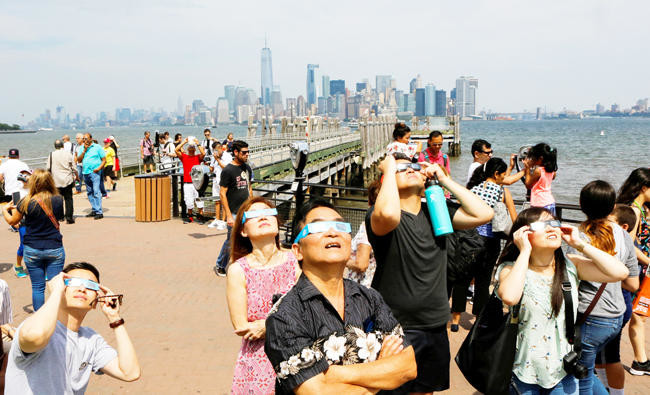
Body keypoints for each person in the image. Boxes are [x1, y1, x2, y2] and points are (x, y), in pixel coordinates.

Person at [366, 153, 493, 394]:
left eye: (414, 166)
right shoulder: (379, 216)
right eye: (402, 168)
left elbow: (484, 214)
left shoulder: (436, 212)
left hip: (434, 323)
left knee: (425, 390)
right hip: (395, 325)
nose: (410, 169)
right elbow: (388, 215)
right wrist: (389, 168)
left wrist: (444, 179)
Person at [264, 199, 417, 394]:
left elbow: (408, 366)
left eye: (340, 225)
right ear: (298, 250)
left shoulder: (369, 298)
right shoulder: (284, 316)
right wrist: (382, 370)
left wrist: (336, 374)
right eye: (318, 227)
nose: (332, 232)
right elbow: (317, 391)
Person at [496, 207, 629, 394]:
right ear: (523, 234)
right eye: (541, 224)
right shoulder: (511, 269)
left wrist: (581, 244)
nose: (551, 228)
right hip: (523, 372)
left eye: (554, 223)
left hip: (563, 371)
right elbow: (510, 296)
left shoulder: (570, 265)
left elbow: (620, 273)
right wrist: (524, 251)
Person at [4, 262, 140, 393]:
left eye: (90, 285)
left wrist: (114, 318)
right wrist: (56, 292)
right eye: (72, 282)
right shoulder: (36, 326)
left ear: (96, 301)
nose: (82, 288)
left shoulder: (91, 340)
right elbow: (35, 337)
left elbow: (130, 372)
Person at [567, 181, 639, 394]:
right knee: (591, 368)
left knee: (583, 376)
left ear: (581, 204)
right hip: (617, 315)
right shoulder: (623, 234)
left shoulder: (574, 237)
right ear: (612, 207)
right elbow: (633, 283)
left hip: (590, 317)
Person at [226, 197, 301, 393]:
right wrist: (278, 323)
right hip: (259, 360)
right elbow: (241, 326)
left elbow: (308, 311)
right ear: (243, 230)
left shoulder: (297, 260)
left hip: (299, 353)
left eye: (268, 213)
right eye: (254, 215)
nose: (263, 217)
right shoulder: (238, 270)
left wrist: (266, 325)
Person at [448, 158, 518, 332]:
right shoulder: (503, 192)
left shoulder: (472, 190)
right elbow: (515, 219)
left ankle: (455, 320)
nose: (504, 178)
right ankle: (478, 320)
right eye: (503, 174)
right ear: (496, 174)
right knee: (483, 281)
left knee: (462, 279)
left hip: (468, 240)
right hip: (490, 242)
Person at [2, 169, 66, 311]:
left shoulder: (26, 201)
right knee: (56, 287)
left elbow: (13, 221)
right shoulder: (57, 199)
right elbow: (60, 218)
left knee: (38, 287)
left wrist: (5, 210)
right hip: (54, 246)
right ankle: (57, 317)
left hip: (32, 248)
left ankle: (39, 318)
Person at [594, 204, 641, 394]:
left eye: (609, 221)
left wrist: (605, 274)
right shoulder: (624, 245)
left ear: (624, 228)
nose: (604, 224)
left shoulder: (620, 247)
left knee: (610, 357)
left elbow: (631, 284)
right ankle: (607, 389)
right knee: (602, 357)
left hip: (614, 306)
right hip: (618, 306)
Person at [616, 167, 650, 375]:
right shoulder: (635, 211)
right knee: (633, 313)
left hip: (643, 268)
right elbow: (630, 245)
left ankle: (641, 360)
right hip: (637, 269)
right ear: (644, 187)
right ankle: (639, 361)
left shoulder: (643, 208)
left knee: (637, 313)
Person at [214, 140, 253, 277]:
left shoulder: (247, 168)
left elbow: (249, 187)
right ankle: (220, 265)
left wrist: (252, 205)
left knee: (248, 239)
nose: (246, 154)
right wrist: (228, 215)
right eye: (244, 152)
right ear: (236, 153)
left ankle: (246, 266)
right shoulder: (228, 170)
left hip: (247, 212)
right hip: (234, 213)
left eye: (248, 152)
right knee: (231, 241)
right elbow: (222, 193)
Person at [344, 180, 380, 288]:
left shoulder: (367, 228)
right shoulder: (389, 225)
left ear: (369, 201)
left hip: (362, 287)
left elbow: (361, 265)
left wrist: (342, 260)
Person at [0, 149, 30, 278]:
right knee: (24, 242)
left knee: (38, 243)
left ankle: (40, 266)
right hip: (15, 197)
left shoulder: (4, 164)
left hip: (9, 191)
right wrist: (15, 220)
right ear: (18, 155)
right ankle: (18, 265)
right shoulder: (23, 164)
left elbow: (0, 177)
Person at [174, 137, 206, 223]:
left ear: (195, 149)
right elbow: (176, 150)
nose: (191, 147)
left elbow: (203, 153)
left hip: (197, 183)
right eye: (190, 146)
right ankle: (190, 217)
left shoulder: (198, 157)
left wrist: (197, 143)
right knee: (189, 201)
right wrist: (184, 142)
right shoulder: (184, 157)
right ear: (187, 149)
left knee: (199, 200)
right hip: (187, 183)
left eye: (192, 147)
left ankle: (200, 217)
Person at [76, 133, 106, 220]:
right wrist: (84, 150)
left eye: (86, 138)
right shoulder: (82, 148)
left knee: (96, 191)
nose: (85, 140)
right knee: (89, 192)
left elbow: (104, 160)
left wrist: (98, 168)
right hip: (85, 172)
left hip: (95, 172)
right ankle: (94, 209)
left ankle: (99, 212)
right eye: (84, 139)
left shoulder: (97, 147)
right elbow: (79, 160)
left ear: (91, 139)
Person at [524, 143, 558, 215]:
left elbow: (528, 185)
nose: (532, 159)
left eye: (533, 157)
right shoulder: (552, 171)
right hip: (550, 202)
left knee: (538, 225)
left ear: (540, 158)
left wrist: (527, 168)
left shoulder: (538, 171)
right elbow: (551, 177)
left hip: (539, 204)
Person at [48, 139, 77, 224]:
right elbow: (74, 167)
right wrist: (77, 176)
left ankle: (59, 217)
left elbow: (48, 168)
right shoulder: (68, 154)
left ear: (55, 146)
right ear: (62, 146)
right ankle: (69, 217)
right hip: (67, 179)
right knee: (68, 199)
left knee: (58, 199)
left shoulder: (51, 154)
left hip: (56, 180)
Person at [208, 141, 231, 221]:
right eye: (214, 150)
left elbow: (226, 168)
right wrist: (207, 167)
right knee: (217, 200)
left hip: (224, 180)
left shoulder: (227, 156)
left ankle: (223, 220)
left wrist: (217, 160)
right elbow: (211, 169)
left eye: (217, 150)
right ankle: (217, 219)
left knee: (224, 201)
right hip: (215, 180)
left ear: (221, 148)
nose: (215, 152)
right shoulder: (213, 157)